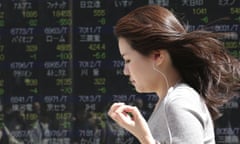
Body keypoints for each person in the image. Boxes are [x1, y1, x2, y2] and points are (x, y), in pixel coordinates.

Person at [108, 5, 240, 144]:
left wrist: (145, 139)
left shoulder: (177, 104)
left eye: (128, 60)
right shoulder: (171, 101)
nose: (125, 71)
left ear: (158, 56)